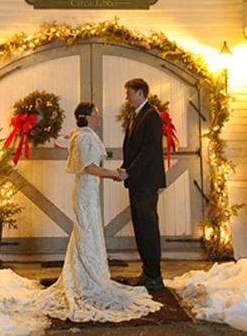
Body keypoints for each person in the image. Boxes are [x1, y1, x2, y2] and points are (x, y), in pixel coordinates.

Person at [39, 102, 161, 322]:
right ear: (86, 117)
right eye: (96, 115)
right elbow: (88, 168)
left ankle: (86, 273)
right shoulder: (84, 136)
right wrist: (114, 173)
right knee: (86, 232)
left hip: (89, 189)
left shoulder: (82, 134)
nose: (99, 117)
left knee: (89, 232)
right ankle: (86, 278)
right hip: (86, 189)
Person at [118, 78, 166, 292]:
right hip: (136, 180)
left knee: (148, 228)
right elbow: (132, 148)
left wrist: (130, 170)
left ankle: (154, 275)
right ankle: (147, 272)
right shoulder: (136, 115)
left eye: (128, 93)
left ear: (139, 92)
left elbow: (148, 151)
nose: (126, 97)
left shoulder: (152, 116)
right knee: (140, 227)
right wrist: (124, 168)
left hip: (146, 181)